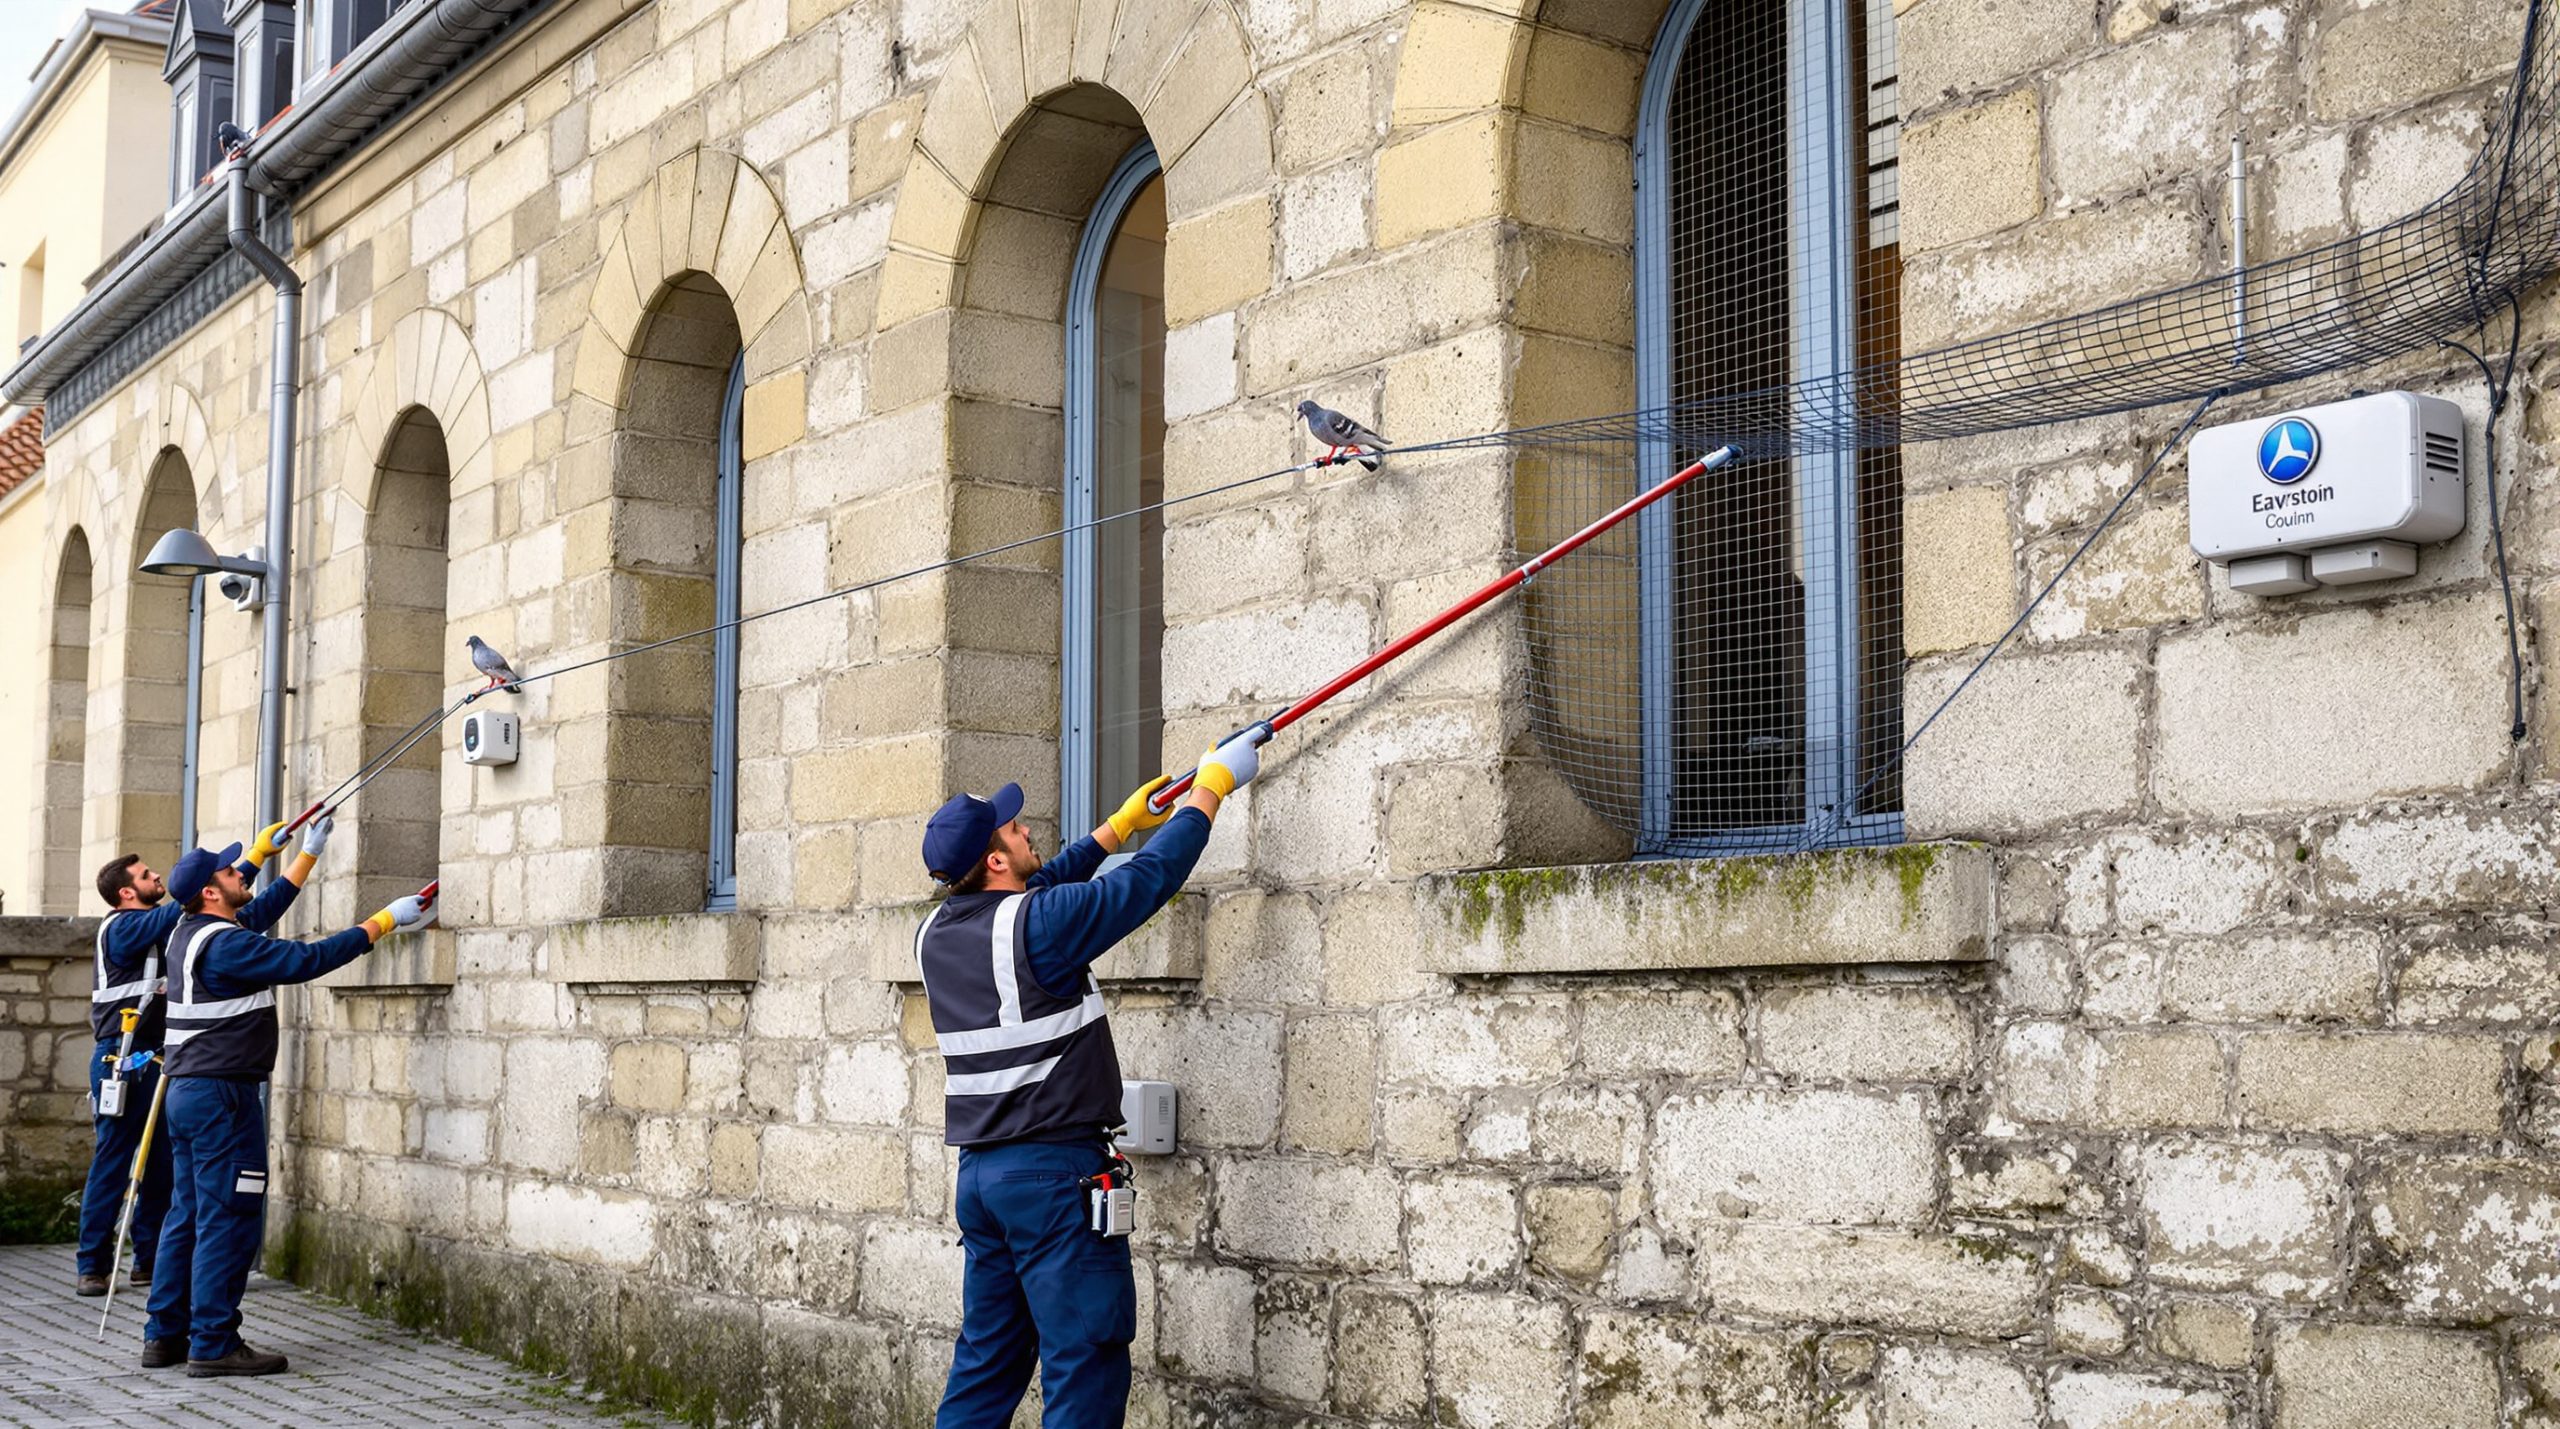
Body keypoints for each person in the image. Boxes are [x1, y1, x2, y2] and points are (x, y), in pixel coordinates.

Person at [922, 731, 1264, 1429]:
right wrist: (1210, 789)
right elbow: (1146, 883)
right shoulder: (1039, 926)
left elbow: (1040, 888)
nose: (1026, 830)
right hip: (1054, 1179)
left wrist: (1117, 827)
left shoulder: (938, 932)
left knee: (987, 1365)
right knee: (1085, 1359)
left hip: (983, 1181)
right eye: (1013, 830)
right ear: (995, 859)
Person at [139, 842, 433, 1376]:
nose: (242, 872)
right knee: (228, 1218)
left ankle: (164, 1335)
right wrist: (384, 921)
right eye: (231, 870)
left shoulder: (189, 931)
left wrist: (307, 854)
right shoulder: (226, 944)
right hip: (223, 1099)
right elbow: (306, 961)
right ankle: (213, 1343)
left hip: (189, 1094)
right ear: (210, 892)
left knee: (187, 1215)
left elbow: (258, 912)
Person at [73, 818, 327, 1297]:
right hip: (120, 1060)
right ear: (126, 893)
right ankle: (92, 1264)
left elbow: (245, 912)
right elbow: (190, 899)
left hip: (164, 1059)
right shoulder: (123, 928)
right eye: (146, 876)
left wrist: (298, 858)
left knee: (165, 1168)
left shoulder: (185, 929)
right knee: (115, 1160)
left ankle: (149, 1262)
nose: (156, 877)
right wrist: (254, 859)